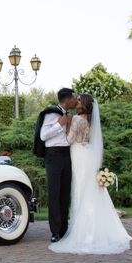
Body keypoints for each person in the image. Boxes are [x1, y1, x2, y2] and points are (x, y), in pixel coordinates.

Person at [49, 94, 132, 254]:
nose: (77, 101)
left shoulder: (77, 119)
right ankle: (95, 227)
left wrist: (63, 127)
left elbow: (68, 141)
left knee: (80, 190)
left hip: (78, 155)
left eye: (79, 100)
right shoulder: (90, 120)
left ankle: (84, 231)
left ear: (84, 105)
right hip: (86, 155)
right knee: (90, 190)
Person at [39, 88, 77, 243]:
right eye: (73, 98)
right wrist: (59, 125)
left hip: (66, 154)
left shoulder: (69, 115)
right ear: (67, 100)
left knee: (64, 193)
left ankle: (64, 228)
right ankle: (55, 231)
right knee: (54, 193)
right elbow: (43, 136)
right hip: (53, 155)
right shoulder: (51, 114)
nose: (75, 101)